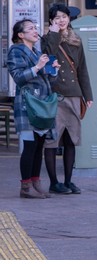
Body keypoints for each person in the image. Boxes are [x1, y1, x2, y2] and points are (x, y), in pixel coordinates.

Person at [41, 4, 93, 195]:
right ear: (51, 21)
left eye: (64, 17)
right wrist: (54, 32)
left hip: (73, 93)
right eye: (57, 18)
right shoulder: (47, 39)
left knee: (72, 139)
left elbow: (82, 70)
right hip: (55, 95)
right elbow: (48, 53)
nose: (62, 20)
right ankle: (54, 182)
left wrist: (88, 95)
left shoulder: (76, 40)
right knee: (52, 141)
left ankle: (69, 181)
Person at [7, 19, 60, 199]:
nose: (35, 31)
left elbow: (46, 80)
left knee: (39, 145)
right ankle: (26, 186)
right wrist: (37, 66)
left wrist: (52, 70)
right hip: (28, 104)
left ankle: (36, 181)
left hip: (42, 104)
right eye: (30, 29)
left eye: (35, 28)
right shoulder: (16, 50)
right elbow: (18, 77)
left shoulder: (37, 51)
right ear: (21, 35)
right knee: (30, 146)